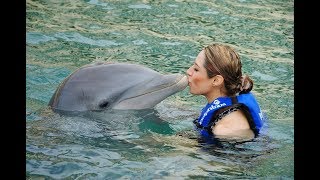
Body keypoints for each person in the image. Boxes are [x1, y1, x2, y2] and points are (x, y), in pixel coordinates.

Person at [186, 43, 265, 140]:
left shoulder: (224, 131)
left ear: (216, 80)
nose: (189, 72)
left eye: (196, 69)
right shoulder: (230, 100)